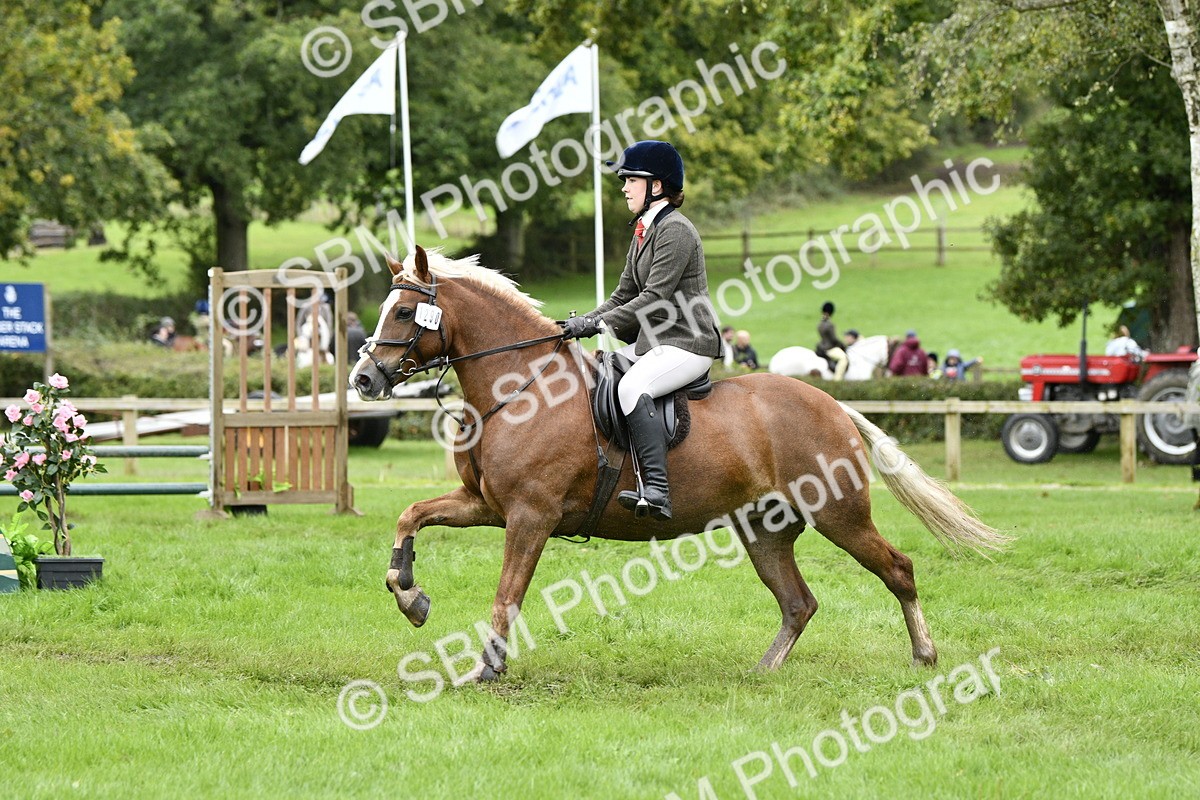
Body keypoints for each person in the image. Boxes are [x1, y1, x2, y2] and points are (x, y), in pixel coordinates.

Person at [559, 140, 721, 521]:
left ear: (657, 186)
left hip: (688, 342)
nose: (624, 188)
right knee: (597, 372)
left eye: (631, 180)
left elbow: (653, 298)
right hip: (658, 342)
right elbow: (623, 295)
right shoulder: (644, 231)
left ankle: (658, 490)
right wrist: (579, 323)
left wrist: (597, 324)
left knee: (633, 387)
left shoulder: (676, 231)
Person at [815, 301, 848, 381]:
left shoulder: (820, 324)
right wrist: (842, 344)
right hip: (829, 348)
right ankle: (837, 379)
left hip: (821, 346)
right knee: (844, 358)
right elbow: (833, 339)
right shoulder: (829, 324)